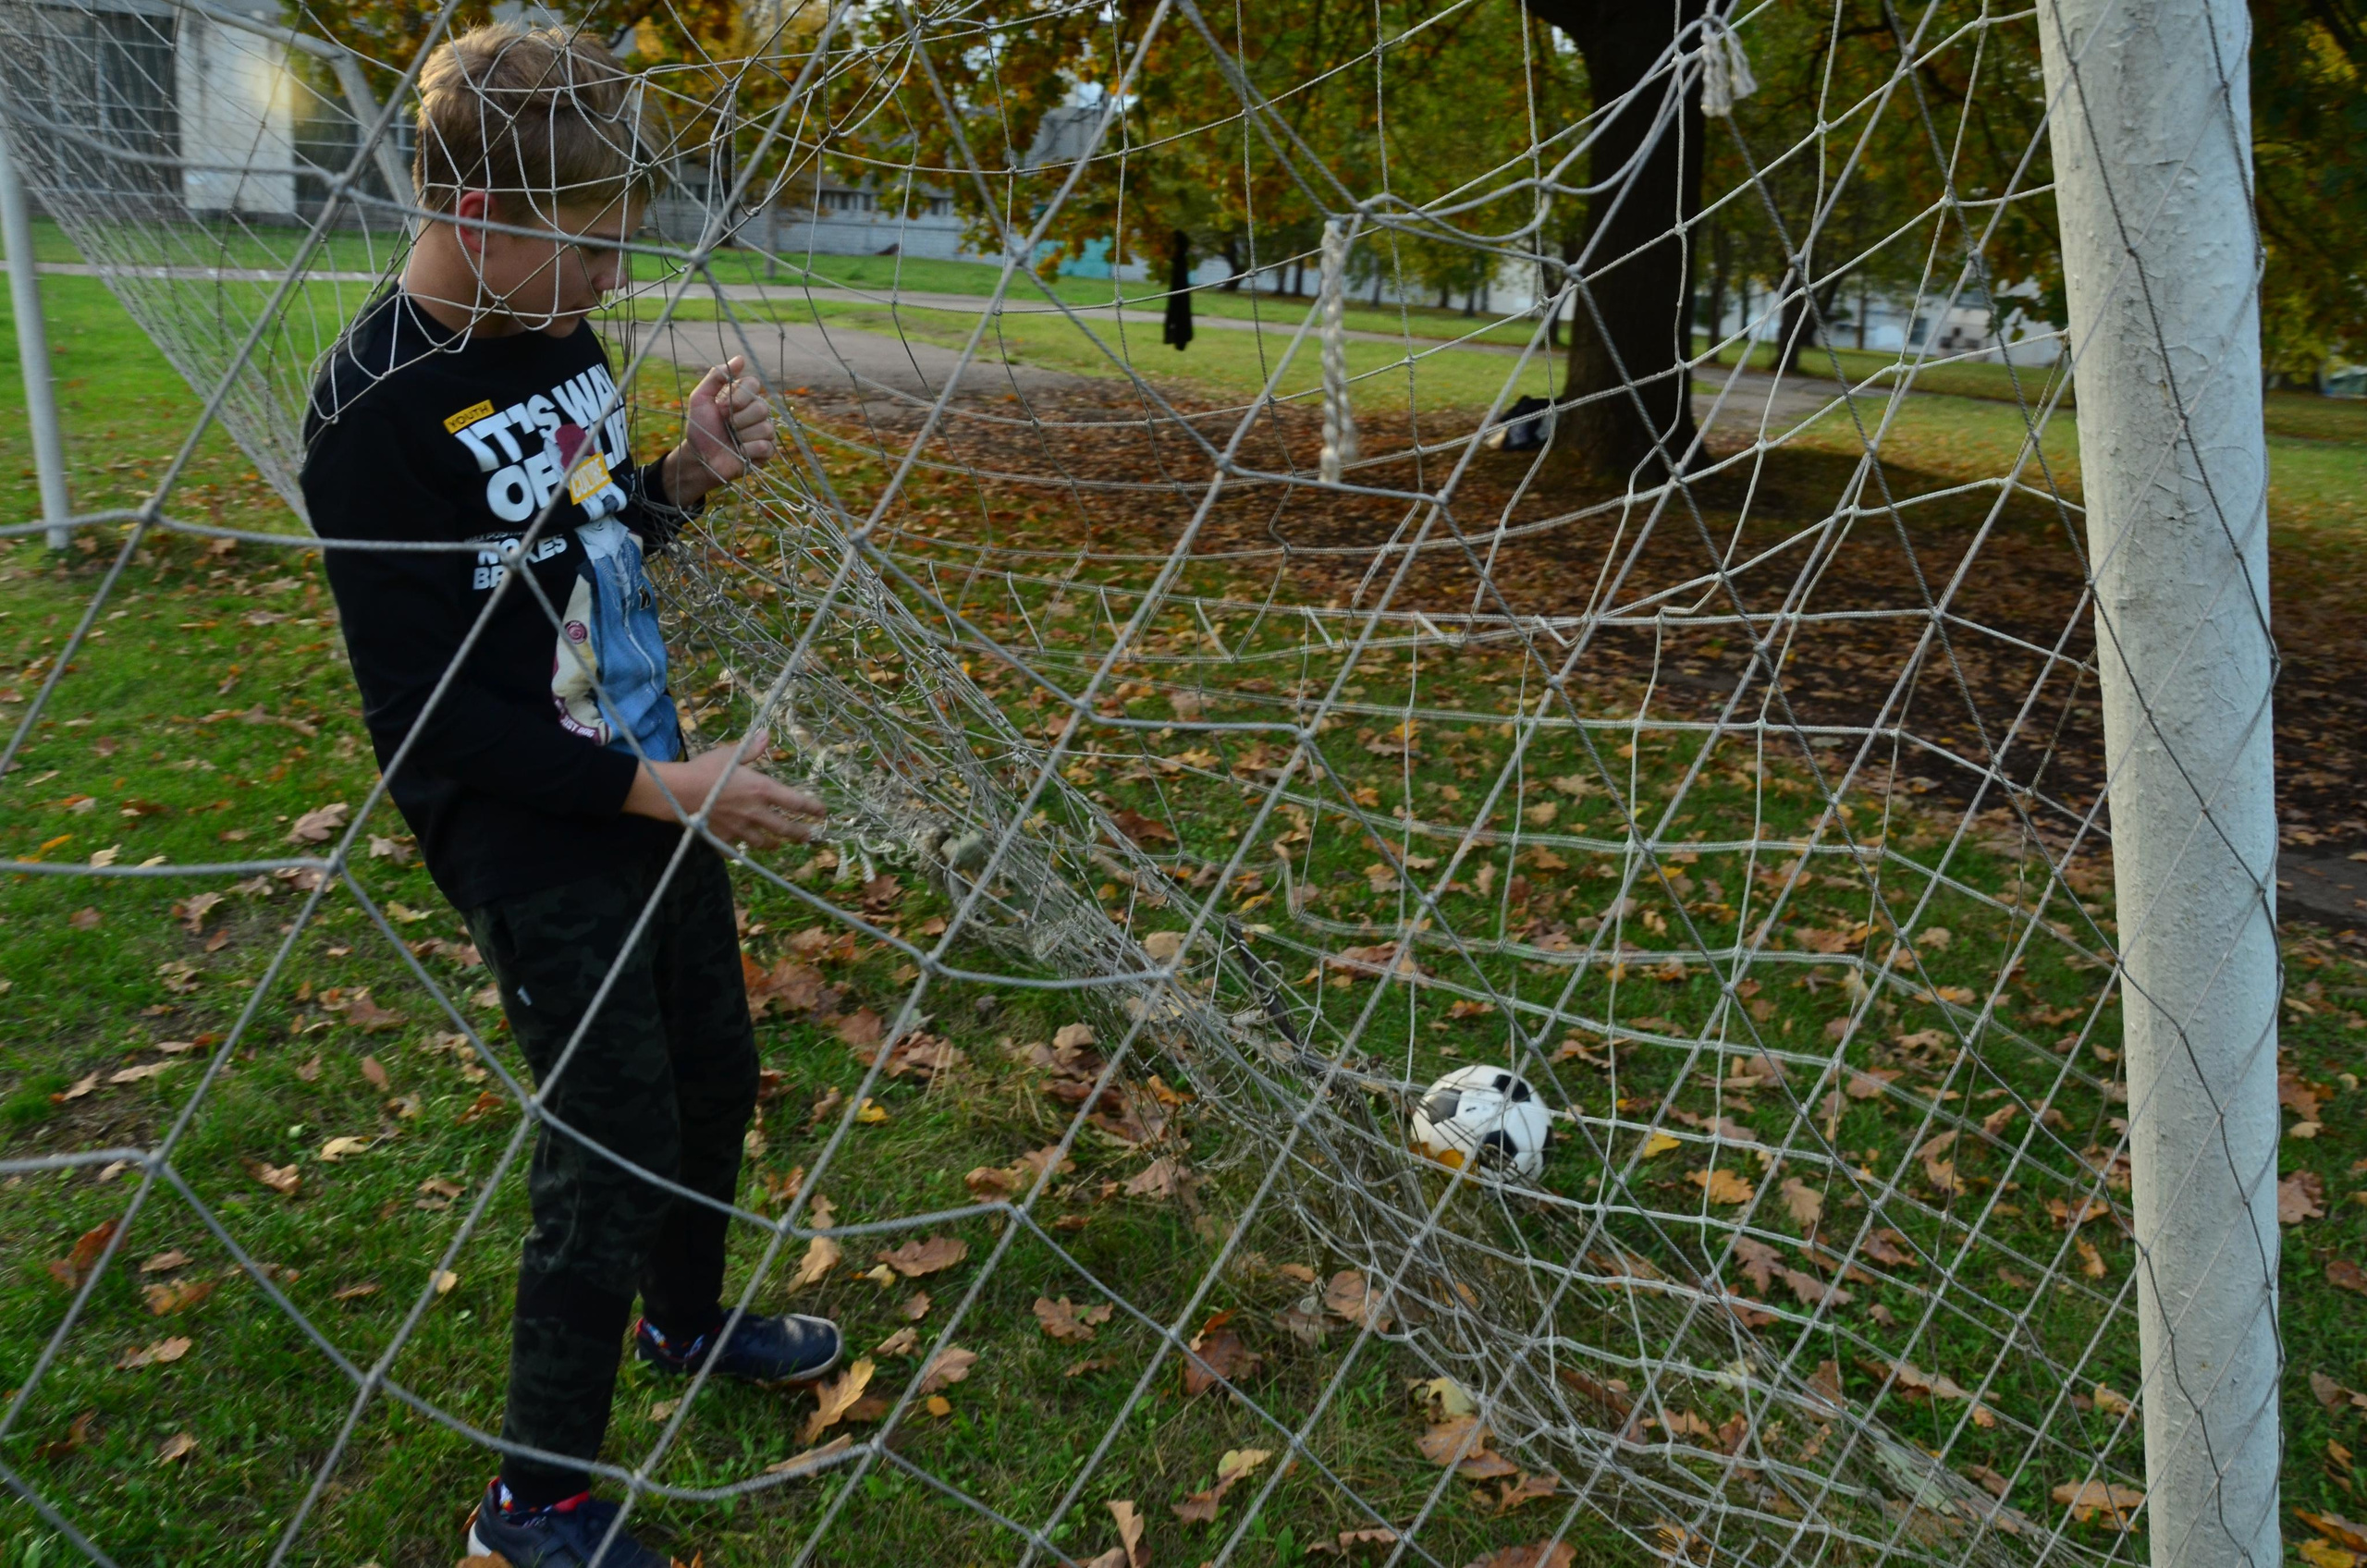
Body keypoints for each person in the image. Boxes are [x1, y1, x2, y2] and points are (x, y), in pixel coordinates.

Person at [300, 23, 838, 1568]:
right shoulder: (373, 412)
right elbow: (431, 718)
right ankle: (529, 1504)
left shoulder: (561, 342)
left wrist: (678, 479)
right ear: (480, 222)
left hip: (648, 780)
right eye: (596, 245)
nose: (617, 276)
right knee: (607, 1136)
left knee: (714, 1074)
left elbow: (578, 545)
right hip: (535, 822)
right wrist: (658, 786)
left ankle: (682, 1326)